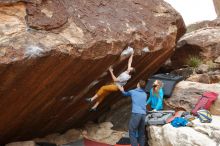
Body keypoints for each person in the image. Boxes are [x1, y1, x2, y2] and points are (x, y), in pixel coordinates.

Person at [117, 80, 147, 146]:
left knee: (132, 131)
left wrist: (122, 90)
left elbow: (125, 94)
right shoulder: (145, 94)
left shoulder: (133, 91)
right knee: (141, 133)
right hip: (143, 115)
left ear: (138, 85)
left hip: (136, 114)